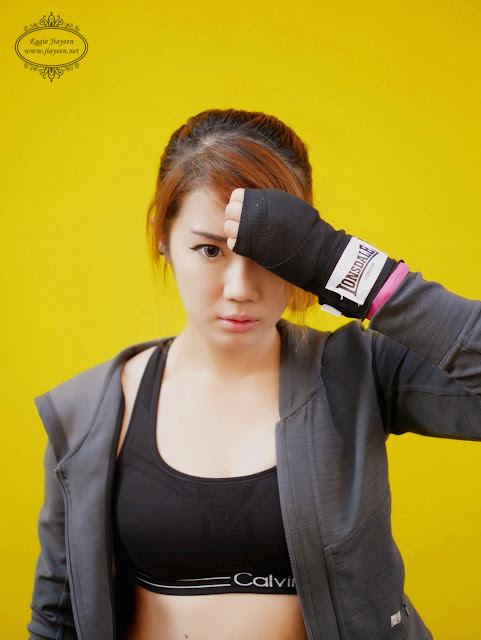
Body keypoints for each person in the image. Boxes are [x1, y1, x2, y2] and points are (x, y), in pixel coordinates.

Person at [27, 108, 481, 640]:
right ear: (162, 238)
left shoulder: (361, 372)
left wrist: (341, 264)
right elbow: (57, 617)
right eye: (209, 250)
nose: (241, 288)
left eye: (272, 254)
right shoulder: (89, 413)